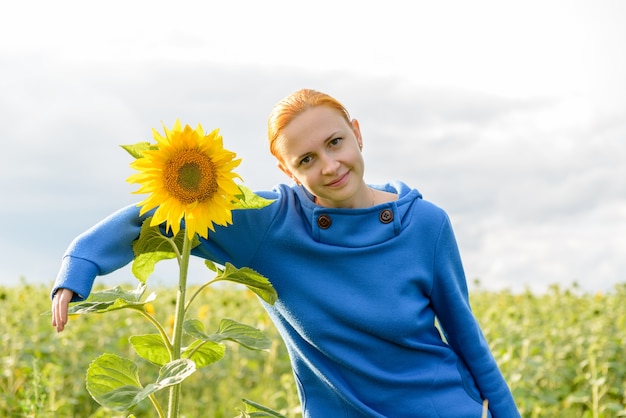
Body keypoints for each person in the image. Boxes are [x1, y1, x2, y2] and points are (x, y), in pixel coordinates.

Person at [51, 89, 520, 418]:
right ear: (286, 169)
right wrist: (82, 264)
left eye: (335, 142)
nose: (330, 165)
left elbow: (467, 341)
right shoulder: (270, 226)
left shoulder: (426, 225)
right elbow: (159, 212)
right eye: (307, 160)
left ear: (357, 133)